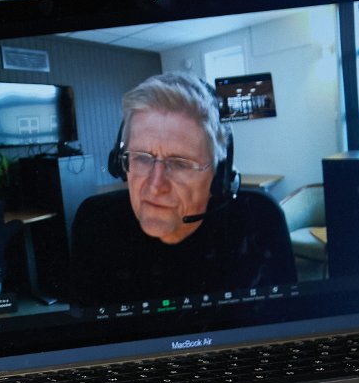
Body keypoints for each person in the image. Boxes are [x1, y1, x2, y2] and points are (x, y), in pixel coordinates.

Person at [65, 74, 294, 308]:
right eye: (142, 158)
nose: (156, 185)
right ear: (120, 164)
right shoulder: (96, 224)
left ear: (219, 175)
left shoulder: (259, 223)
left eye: (180, 163)